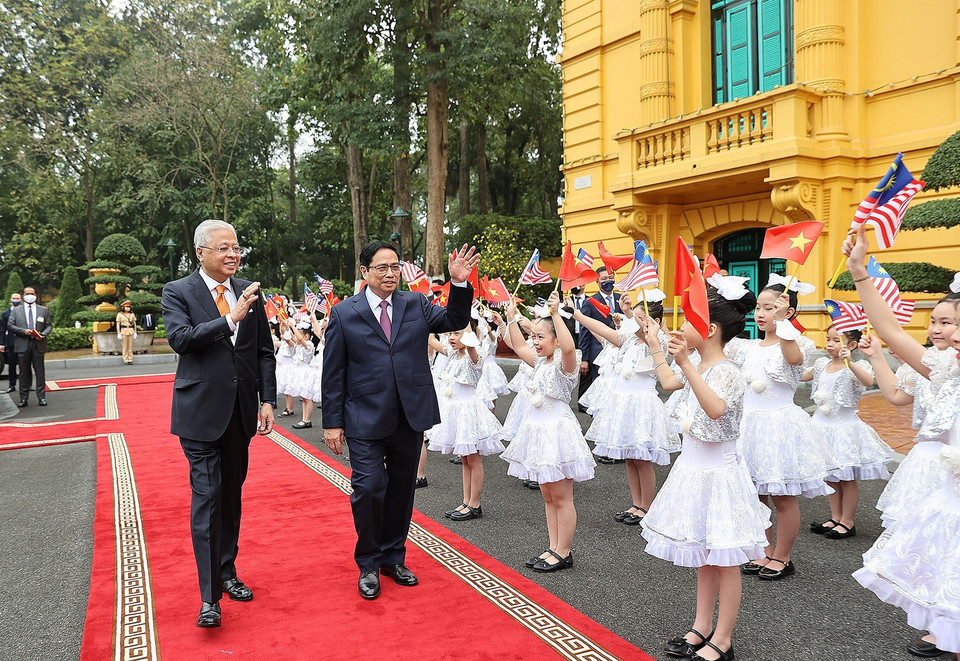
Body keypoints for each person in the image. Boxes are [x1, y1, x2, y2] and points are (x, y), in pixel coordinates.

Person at [322, 241, 478, 600]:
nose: (390, 273)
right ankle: (368, 564)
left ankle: (393, 557)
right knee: (369, 487)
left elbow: (454, 320)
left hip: (410, 413)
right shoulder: (345, 312)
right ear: (365, 272)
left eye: (395, 266)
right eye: (382, 268)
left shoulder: (416, 303)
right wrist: (332, 423)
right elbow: (333, 371)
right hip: (363, 416)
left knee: (401, 490)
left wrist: (458, 284)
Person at [844, 228, 960, 660]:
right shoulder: (944, 371)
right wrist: (859, 272)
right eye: (949, 325)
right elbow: (891, 331)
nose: (950, 334)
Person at [641, 281, 768, 661]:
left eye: (689, 321)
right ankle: (701, 626)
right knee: (703, 554)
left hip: (720, 474)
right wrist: (655, 346)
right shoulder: (698, 363)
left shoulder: (726, 369)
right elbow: (667, 383)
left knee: (724, 560)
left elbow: (714, 409)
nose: (680, 329)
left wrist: (683, 363)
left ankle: (723, 639)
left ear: (710, 329)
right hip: (693, 470)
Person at [161, 219, 277, 628]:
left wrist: (268, 399)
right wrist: (230, 320)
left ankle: (228, 571)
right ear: (201, 253)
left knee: (231, 497)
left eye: (236, 247)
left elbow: (263, 351)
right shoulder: (178, 291)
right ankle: (210, 598)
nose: (233, 254)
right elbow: (181, 339)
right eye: (223, 248)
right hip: (199, 415)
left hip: (240, 414)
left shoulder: (250, 290)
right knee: (207, 499)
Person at [730, 279, 835, 581]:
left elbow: (795, 361)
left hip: (779, 428)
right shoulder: (750, 347)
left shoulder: (795, 342)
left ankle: (783, 557)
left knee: (783, 496)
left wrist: (785, 323)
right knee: (755, 494)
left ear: (787, 310)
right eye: (760, 308)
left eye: (770, 307)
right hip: (750, 426)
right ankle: (764, 549)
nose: (761, 313)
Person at [501, 291, 596, 572]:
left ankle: (563, 551)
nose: (535, 341)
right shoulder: (540, 362)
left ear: (556, 339)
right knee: (547, 495)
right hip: (537, 431)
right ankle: (553, 546)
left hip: (557, 432)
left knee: (563, 496)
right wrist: (510, 319)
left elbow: (568, 348)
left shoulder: (566, 363)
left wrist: (555, 314)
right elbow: (517, 345)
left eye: (541, 337)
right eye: (536, 336)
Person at [573, 294, 678, 525]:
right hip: (623, 403)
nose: (637, 322)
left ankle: (647, 506)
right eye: (636, 317)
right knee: (630, 457)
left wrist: (643, 323)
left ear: (656, 322)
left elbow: (651, 338)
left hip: (642, 404)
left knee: (642, 458)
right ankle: (635, 503)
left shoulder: (658, 342)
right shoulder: (630, 340)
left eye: (643, 318)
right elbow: (602, 328)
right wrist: (578, 314)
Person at [804, 326, 890, 540]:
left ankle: (848, 521)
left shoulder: (857, 366)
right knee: (832, 477)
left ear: (851, 345)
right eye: (828, 339)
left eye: (836, 340)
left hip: (843, 430)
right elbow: (803, 374)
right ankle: (835, 517)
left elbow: (868, 382)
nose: (830, 343)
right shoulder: (821, 363)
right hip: (822, 428)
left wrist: (849, 362)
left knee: (847, 477)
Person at [426, 323, 505, 521]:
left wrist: (469, 336)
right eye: (450, 333)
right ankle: (466, 500)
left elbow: (474, 354)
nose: (451, 337)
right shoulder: (453, 354)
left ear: (467, 335)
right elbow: (433, 341)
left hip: (469, 411)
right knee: (464, 458)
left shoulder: (473, 354)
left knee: (473, 458)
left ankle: (475, 504)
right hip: (455, 410)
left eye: (456, 333)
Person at [577, 266, 621, 417]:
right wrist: (584, 358)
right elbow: (584, 331)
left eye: (610, 277)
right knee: (601, 388)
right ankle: (599, 419)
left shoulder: (621, 298)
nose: (608, 281)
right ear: (597, 282)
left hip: (619, 354)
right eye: (604, 279)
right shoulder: (590, 302)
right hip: (598, 354)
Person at [7, 286, 52, 407]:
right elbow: (10, 325)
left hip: (38, 344)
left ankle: (41, 397)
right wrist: (23, 331)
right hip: (23, 344)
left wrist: (44, 334)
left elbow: (49, 326)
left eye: (32, 293)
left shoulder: (43, 310)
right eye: (27, 294)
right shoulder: (16, 311)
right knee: (23, 372)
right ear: (23, 296)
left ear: (36, 295)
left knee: (40, 372)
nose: (30, 295)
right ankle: (23, 398)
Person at [0, 293, 22, 393]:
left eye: (17, 298)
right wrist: (2, 343)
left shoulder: (24, 312)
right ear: (10, 299)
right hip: (11, 342)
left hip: (23, 341)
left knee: (24, 365)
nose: (15, 300)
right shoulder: (5, 314)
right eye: (14, 298)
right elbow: (3, 330)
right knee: (12, 365)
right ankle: (11, 385)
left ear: (21, 299)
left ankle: (27, 385)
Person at [115, 300, 138, 365]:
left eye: (129, 307)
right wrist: (118, 333)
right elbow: (118, 324)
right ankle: (125, 359)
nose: (128, 308)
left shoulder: (132, 314)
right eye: (126, 307)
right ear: (123, 307)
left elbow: (134, 323)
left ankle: (130, 359)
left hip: (130, 330)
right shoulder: (120, 314)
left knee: (130, 346)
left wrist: (135, 331)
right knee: (125, 346)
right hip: (124, 330)